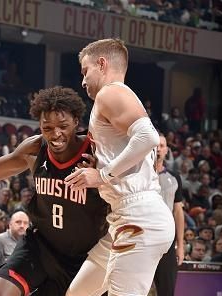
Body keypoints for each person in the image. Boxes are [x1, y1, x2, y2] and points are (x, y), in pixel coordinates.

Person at [0, 86, 109, 295]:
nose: (56, 134)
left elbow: (130, 183)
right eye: (48, 127)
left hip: (84, 256)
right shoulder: (35, 148)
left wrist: (102, 178)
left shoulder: (97, 152)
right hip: (40, 246)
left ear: (76, 122)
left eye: (63, 126)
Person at [64, 38, 174, 296]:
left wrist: (101, 174)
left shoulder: (110, 92)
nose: (82, 81)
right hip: (125, 217)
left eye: (85, 71)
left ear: (101, 64)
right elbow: (133, 146)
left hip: (139, 217)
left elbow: (148, 138)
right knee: (77, 293)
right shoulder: (116, 97)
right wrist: (100, 163)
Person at [153, 134, 185, 296]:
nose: (158, 149)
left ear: (167, 150)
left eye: (162, 145)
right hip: (143, 240)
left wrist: (180, 245)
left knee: (166, 291)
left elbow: (178, 212)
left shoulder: (174, 177)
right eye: (155, 145)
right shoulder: (136, 175)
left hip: (167, 242)